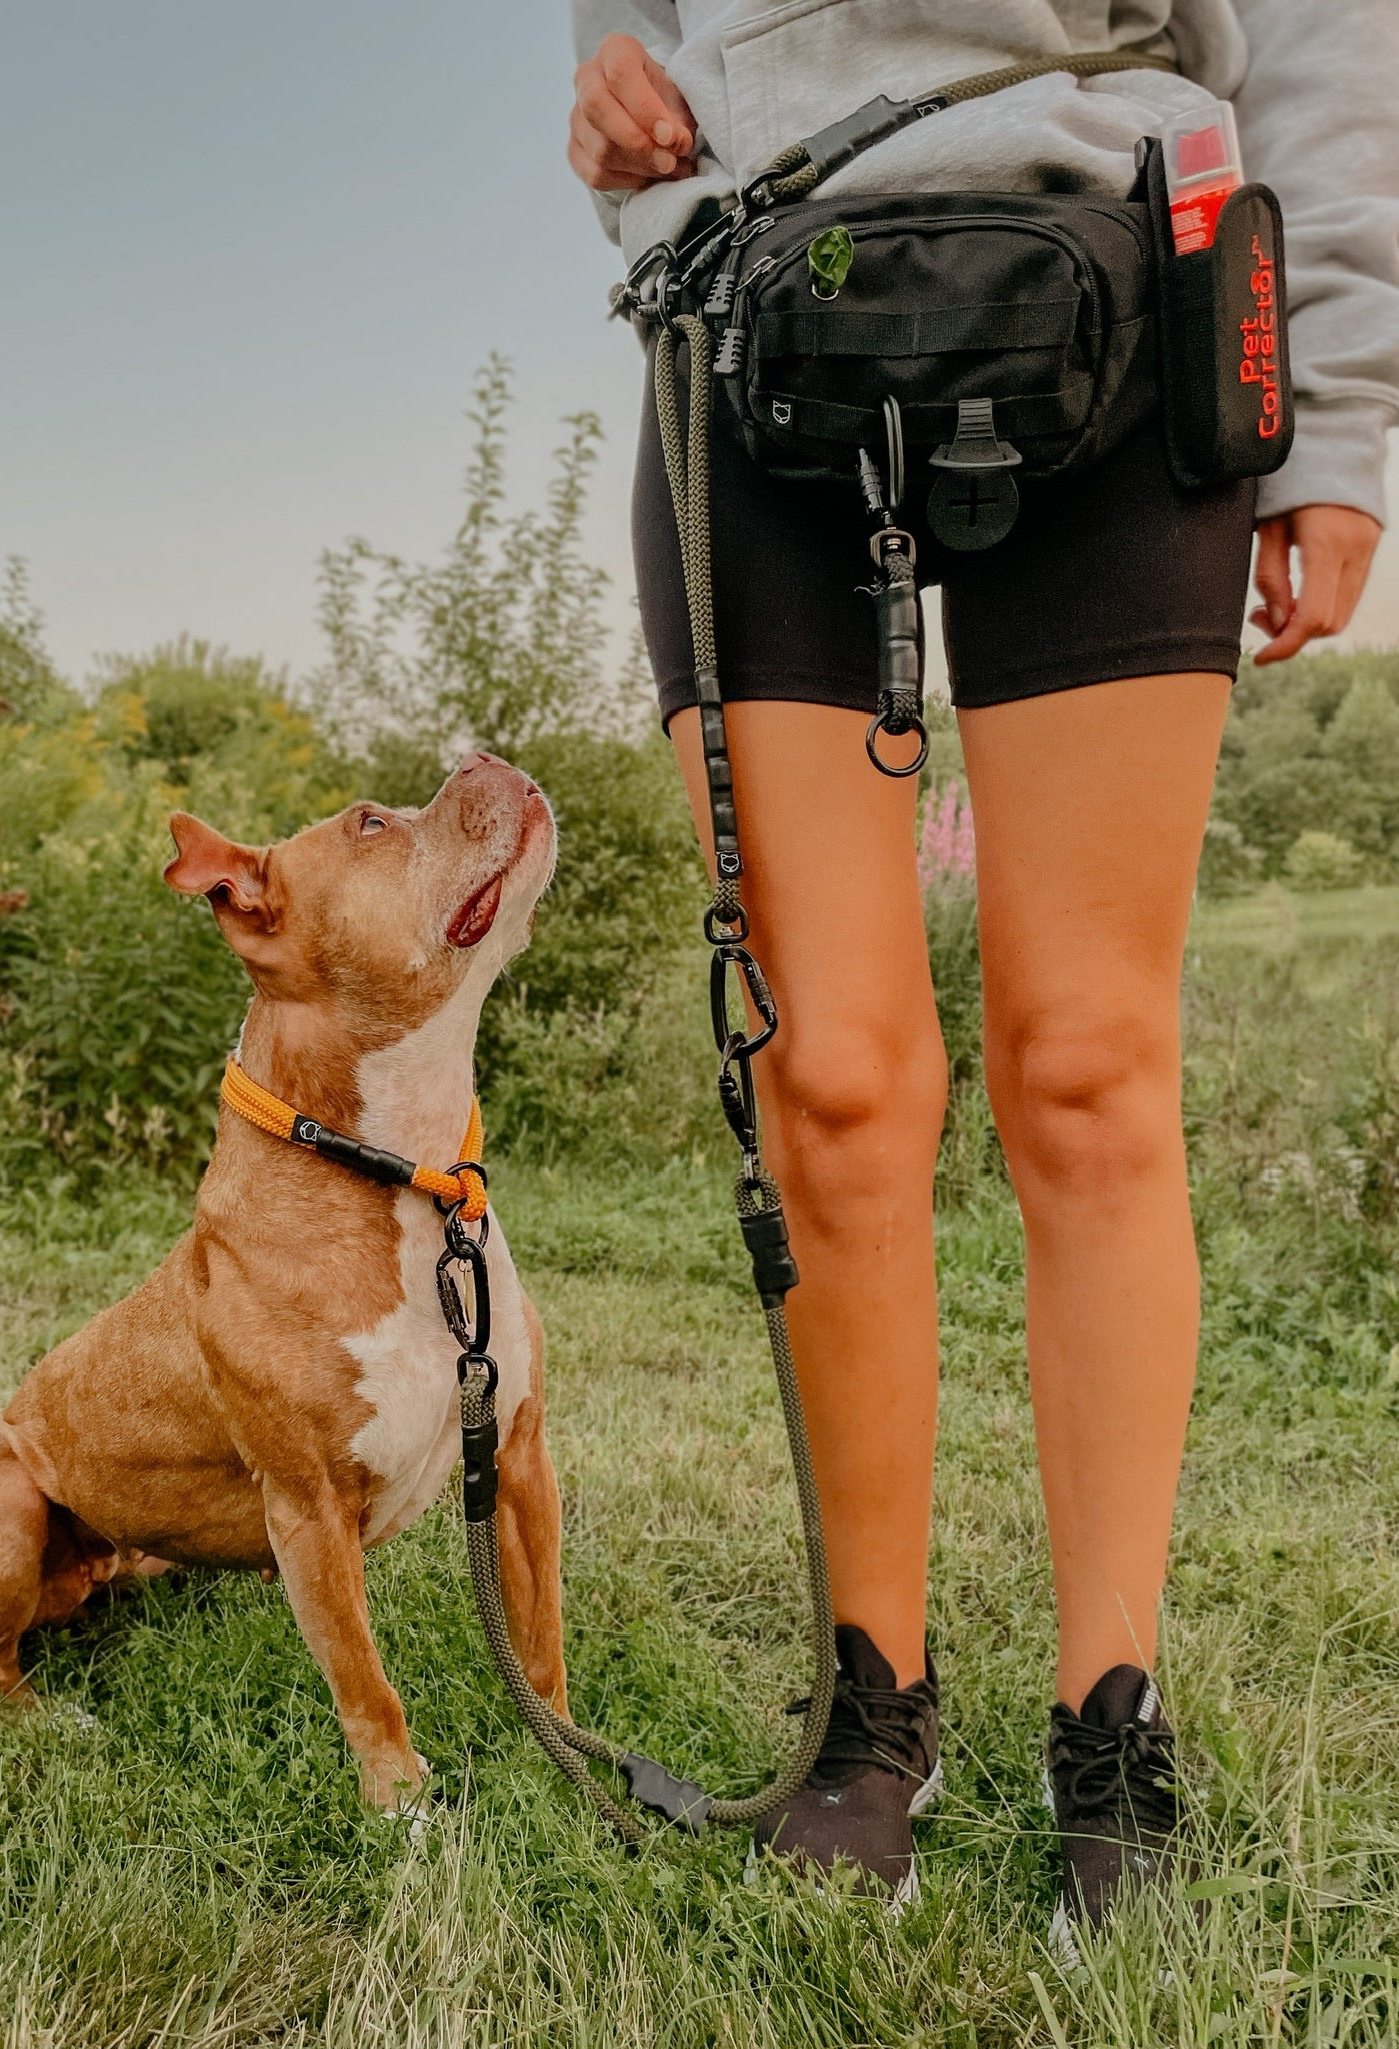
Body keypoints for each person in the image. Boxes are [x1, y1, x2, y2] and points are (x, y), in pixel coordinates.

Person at [566, 0, 1399, 1944]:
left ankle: (1108, 1714)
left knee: (1090, 1066)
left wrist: (1339, 409)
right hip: (759, 304)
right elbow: (629, 37)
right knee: (835, 1090)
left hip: (1128, 288)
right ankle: (877, 1702)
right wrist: (616, 113)